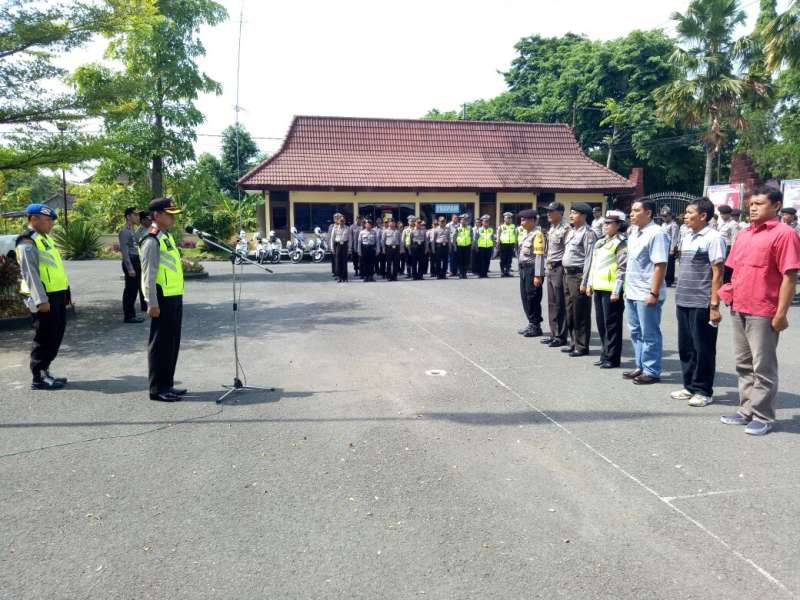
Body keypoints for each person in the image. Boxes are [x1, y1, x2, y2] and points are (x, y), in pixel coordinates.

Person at [719, 186, 800, 435]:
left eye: (760, 203)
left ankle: (763, 416)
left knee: (762, 366)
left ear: (776, 206)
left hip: (764, 310)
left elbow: (790, 276)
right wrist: (728, 293)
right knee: (743, 364)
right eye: (751, 203)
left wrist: (781, 313)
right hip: (739, 306)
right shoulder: (744, 234)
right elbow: (733, 268)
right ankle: (746, 410)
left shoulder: (785, 235)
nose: (753, 208)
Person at [671, 198, 727, 407]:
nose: (684, 215)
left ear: (703, 216)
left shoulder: (713, 238)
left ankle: (704, 390)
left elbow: (718, 272)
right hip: (683, 299)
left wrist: (714, 304)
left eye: (689, 212)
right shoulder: (687, 236)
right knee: (686, 347)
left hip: (702, 301)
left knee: (703, 347)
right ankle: (690, 386)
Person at [16, 203, 71, 390]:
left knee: (56, 333)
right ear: (33, 220)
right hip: (43, 297)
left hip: (56, 294)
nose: (51, 224)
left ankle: (45, 370)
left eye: (51, 221)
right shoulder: (27, 241)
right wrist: (41, 299)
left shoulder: (45, 239)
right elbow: (29, 273)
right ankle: (38, 376)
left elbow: (55, 269)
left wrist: (65, 292)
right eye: (47, 220)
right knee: (45, 336)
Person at [140, 197, 186, 402]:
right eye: (169, 215)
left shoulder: (166, 237)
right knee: (160, 345)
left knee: (172, 343)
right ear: (156, 215)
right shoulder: (152, 239)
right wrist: (151, 302)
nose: (172, 219)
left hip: (174, 296)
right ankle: (157, 389)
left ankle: (167, 384)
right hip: (162, 299)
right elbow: (148, 274)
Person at [623, 199, 670, 385]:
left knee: (649, 333)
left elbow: (660, 265)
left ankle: (652, 370)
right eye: (631, 210)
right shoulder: (634, 232)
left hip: (647, 292)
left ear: (648, 213)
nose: (631, 214)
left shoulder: (656, 233)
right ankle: (640, 365)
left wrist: (654, 292)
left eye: (636, 210)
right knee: (635, 331)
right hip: (632, 290)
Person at [584, 210, 627, 369]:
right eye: (605, 223)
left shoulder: (621, 242)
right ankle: (605, 353)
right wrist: (589, 283)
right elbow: (593, 265)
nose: (604, 225)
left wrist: (617, 290)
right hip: (599, 287)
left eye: (609, 223)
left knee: (612, 324)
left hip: (611, 290)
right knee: (601, 323)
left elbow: (622, 268)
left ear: (619, 225)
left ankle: (613, 357)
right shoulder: (601, 242)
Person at [561, 203, 597, 357]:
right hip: (567, 274)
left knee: (580, 312)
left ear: (583, 216)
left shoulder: (589, 233)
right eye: (571, 213)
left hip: (578, 276)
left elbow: (590, 258)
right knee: (569, 311)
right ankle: (573, 342)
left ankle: (582, 346)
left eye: (574, 213)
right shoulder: (572, 232)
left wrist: (585, 281)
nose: (571, 215)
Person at [541, 202, 569, 348]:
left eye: (551, 211)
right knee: (552, 303)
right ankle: (554, 333)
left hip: (559, 268)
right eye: (548, 211)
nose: (548, 214)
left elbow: (568, 250)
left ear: (560, 212)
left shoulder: (566, 228)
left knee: (560, 303)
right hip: (551, 267)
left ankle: (561, 335)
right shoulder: (553, 227)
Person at [516, 209, 546, 337]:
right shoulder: (525, 233)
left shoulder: (537, 234)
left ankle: (535, 326)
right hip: (524, 269)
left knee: (533, 297)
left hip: (532, 269)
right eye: (521, 219)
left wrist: (538, 275)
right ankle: (531, 323)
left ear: (533, 220)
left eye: (525, 219)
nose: (522, 222)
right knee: (525, 297)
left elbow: (539, 256)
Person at [119, 207, 145, 323]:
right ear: (128, 216)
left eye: (138, 215)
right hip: (130, 262)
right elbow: (124, 251)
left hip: (136, 260)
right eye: (135, 215)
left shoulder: (133, 230)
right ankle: (128, 316)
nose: (137, 217)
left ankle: (131, 314)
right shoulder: (124, 231)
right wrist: (130, 268)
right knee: (130, 290)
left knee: (134, 289)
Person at [716, 205, 737, 283]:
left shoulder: (733, 224)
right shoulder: (721, 223)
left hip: (727, 249)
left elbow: (734, 239)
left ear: (728, 214)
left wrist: (732, 254)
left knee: (727, 270)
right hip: (720, 247)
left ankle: (726, 286)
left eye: (723, 214)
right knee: (719, 268)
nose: (721, 215)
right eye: (720, 214)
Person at [661, 206, 678, 287]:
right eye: (662, 216)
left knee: (670, 264)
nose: (664, 217)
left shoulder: (673, 225)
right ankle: (664, 278)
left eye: (665, 216)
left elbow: (674, 237)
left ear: (670, 216)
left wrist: (672, 249)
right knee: (664, 263)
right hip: (663, 246)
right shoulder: (663, 224)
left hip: (670, 246)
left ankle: (669, 280)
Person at [497, 212, 518, 277]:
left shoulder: (513, 226)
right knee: (503, 259)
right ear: (504, 219)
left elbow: (516, 235)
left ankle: (507, 271)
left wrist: (515, 244)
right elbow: (498, 235)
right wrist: (498, 243)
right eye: (507, 218)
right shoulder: (501, 226)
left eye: (510, 218)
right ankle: (502, 271)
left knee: (509, 259)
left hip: (511, 244)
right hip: (503, 244)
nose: (509, 219)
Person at [331, 214, 350, 282]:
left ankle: (345, 277)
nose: (342, 222)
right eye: (341, 220)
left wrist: (349, 248)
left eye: (343, 220)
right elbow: (332, 239)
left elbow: (350, 239)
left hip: (344, 245)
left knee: (344, 261)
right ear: (338, 221)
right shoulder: (335, 228)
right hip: (338, 245)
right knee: (338, 261)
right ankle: (339, 277)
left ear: (345, 221)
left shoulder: (347, 228)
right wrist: (332, 248)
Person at [454, 214, 473, 278]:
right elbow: (454, 237)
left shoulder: (469, 228)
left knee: (466, 260)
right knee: (460, 260)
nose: (464, 221)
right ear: (460, 220)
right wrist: (454, 246)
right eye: (463, 219)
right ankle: (461, 273)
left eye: (466, 220)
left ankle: (464, 273)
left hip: (467, 246)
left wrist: (472, 244)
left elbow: (471, 237)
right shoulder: (457, 228)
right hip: (460, 246)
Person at [328, 213, 341, 278]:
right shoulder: (331, 226)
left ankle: (338, 272)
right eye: (335, 218)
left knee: (338, 260)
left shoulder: (342, 226)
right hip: (332, 244)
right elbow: (329, 236)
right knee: (333, 260)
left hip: (339, 244)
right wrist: (329, 246)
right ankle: (334, 271)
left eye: (337, 218)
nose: (336, 219)